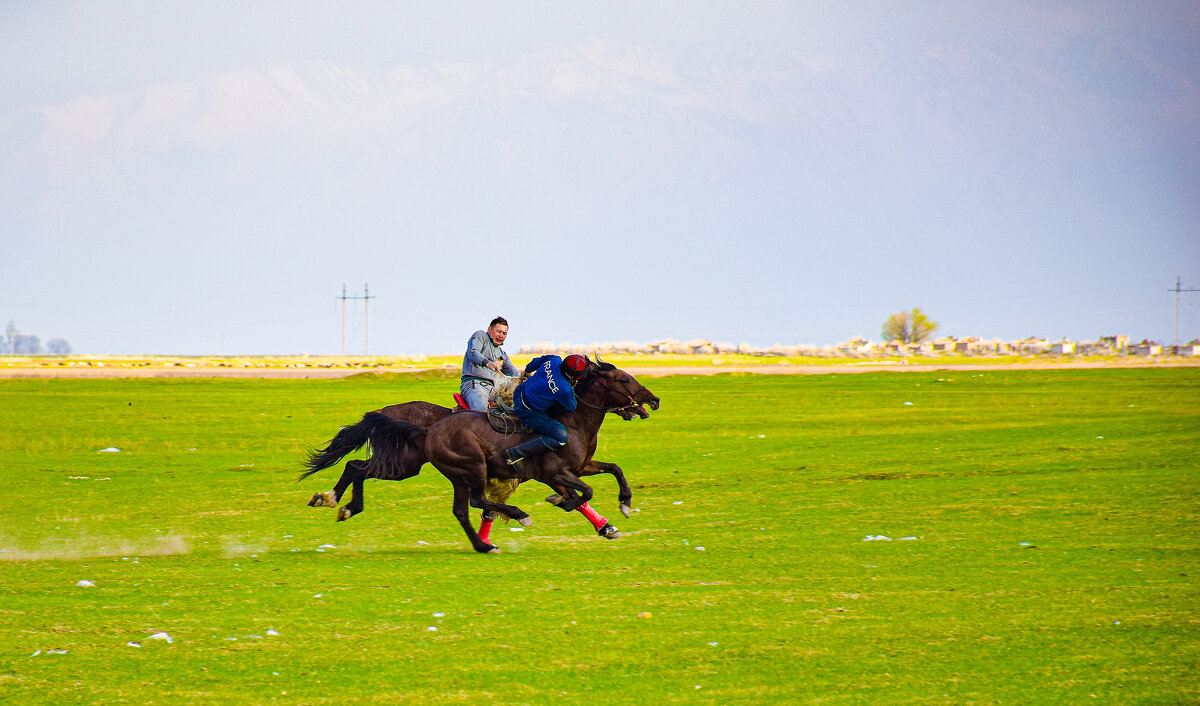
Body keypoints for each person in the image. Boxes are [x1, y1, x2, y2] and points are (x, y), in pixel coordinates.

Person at [503, 353, 588, 467]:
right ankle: (514, 453)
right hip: (526, 411)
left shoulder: (554, 359)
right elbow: (571, 406)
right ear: (577, 377)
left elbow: (532, 364)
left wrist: (527, 373)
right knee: (560, 436)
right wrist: (572, 386)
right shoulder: (565, 390)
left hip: (519, 391)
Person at [460, 316, 520, 412]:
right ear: (490, 329)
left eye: (504, 333)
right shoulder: (480, 336)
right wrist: (488, 363)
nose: (501, 336)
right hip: (474, 386)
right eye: (498, 331)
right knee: (481, 412)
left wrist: (529, 378)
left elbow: (514, 373)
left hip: (494, 391)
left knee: (514, 413)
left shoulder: (502, 354)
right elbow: (473, 353)